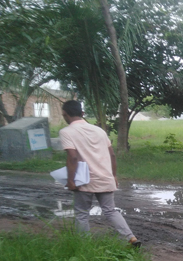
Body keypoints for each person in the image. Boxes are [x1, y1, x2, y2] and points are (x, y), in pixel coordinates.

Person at [59, 100, 141, 248]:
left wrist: (71, 180)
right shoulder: (99, 131)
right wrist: (113, 176)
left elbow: (73, 157)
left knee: (82, 213)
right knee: (110, 211)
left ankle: (84, 246)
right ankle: (131, 238)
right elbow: (112, 155)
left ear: (65, 114)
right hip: (105, 177)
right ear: (82, 113)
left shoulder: (66, 132)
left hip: (84, 180)